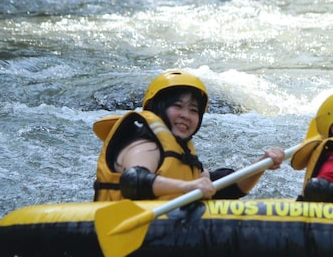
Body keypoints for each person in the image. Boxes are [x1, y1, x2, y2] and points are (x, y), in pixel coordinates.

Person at [93, 70, 284, 201]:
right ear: (157, 108)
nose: (186, 115)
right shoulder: (144, 145)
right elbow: (133, 180)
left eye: (193, 110)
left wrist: (262, 163)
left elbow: (228, 186)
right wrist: (186, 187)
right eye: (177, 106)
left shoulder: (178, 154)